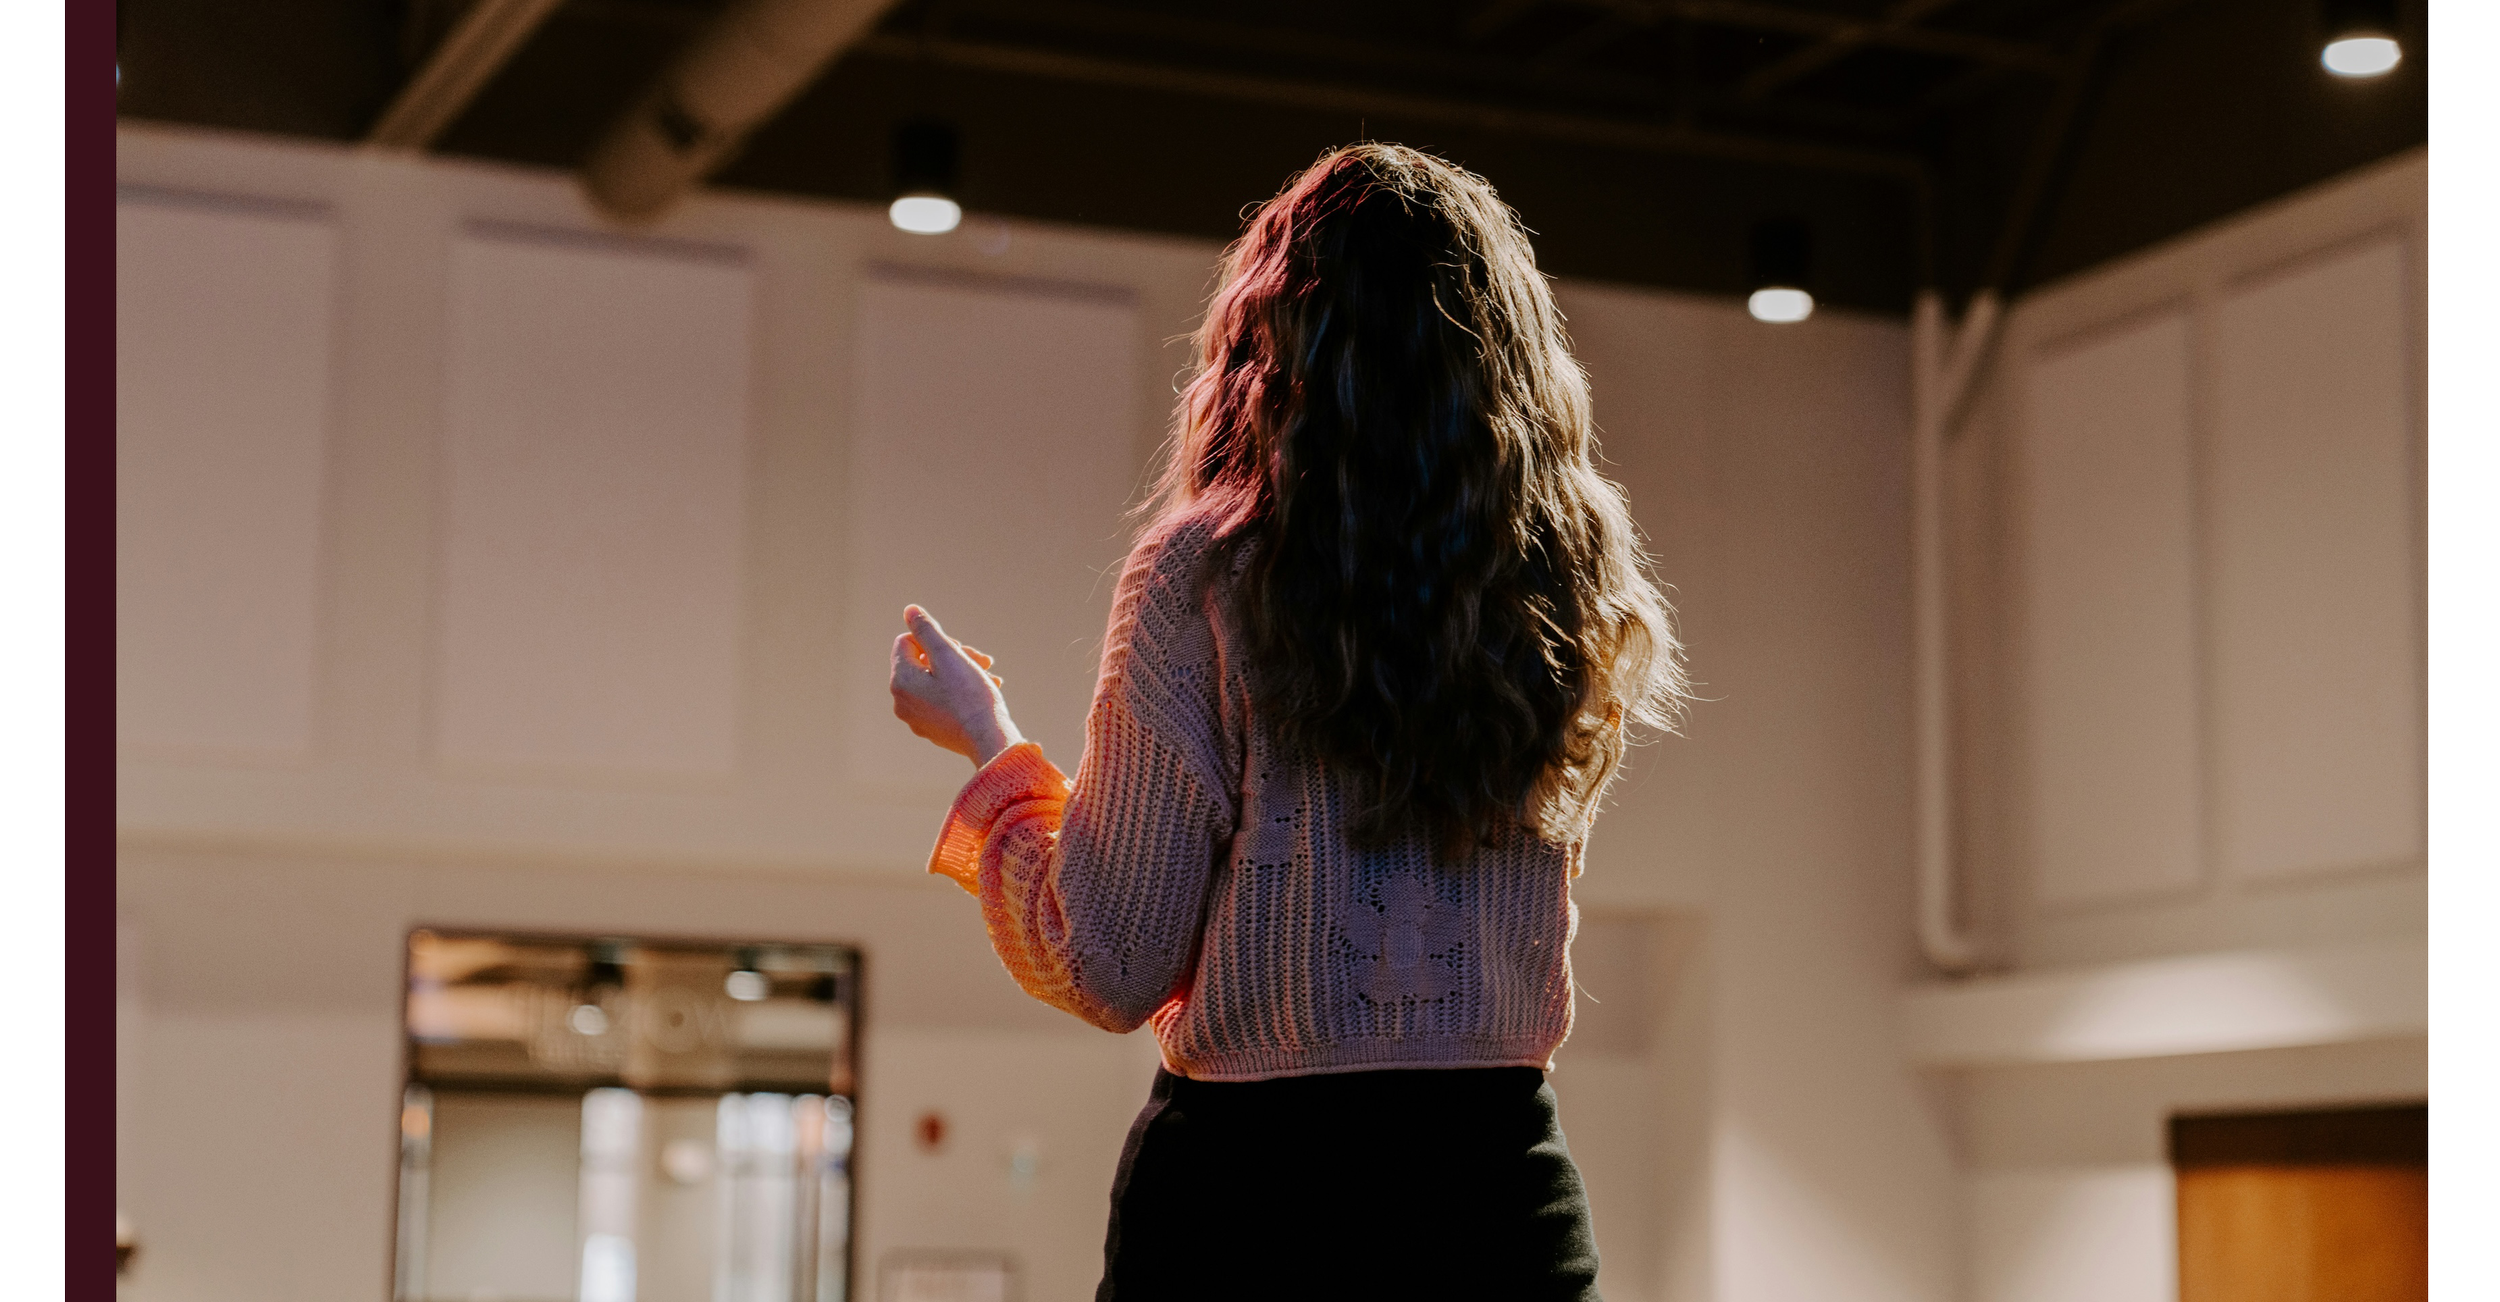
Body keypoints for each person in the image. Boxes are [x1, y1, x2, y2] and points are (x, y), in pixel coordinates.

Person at [887, 142, 1686, 1302]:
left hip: (1252, 1213)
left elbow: (1108, 960)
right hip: (1498, 1203)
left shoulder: (1208, 574)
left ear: (1269, 338)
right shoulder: (1562, 584)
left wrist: (989, 742)